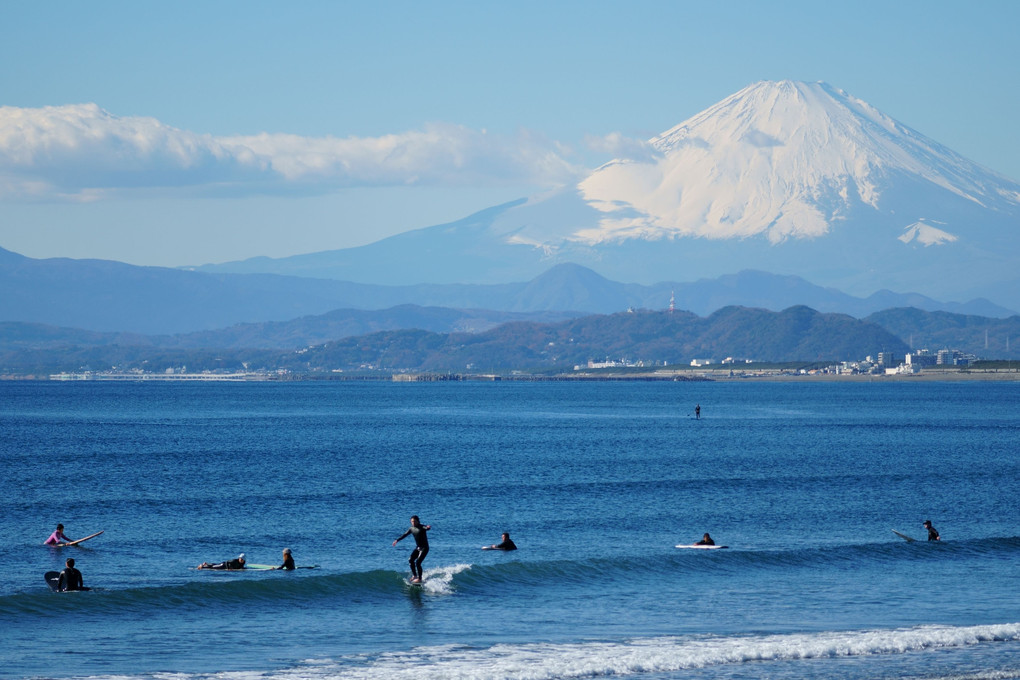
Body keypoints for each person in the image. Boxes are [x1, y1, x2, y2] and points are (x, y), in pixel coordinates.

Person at [393, 515, 431, 583]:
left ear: (418, 521)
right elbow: (405, 534)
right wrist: (397, 540)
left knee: (418, 563)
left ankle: (419, 578)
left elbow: (426, 528)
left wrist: (428, 527)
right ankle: (415, 575)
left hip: (425, 548)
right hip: (418, 548)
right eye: (412, 521)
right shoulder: (411, 528)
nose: (413, 523)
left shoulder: (421, 526)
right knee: (410, 560)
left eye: (414, 521)